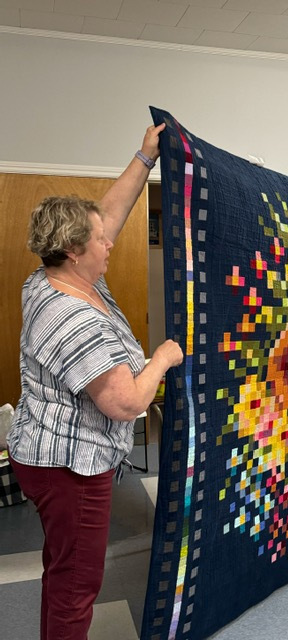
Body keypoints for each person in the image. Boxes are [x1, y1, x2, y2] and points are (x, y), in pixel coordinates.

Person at [7, 123, 183, 640]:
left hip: (45, 452)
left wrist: (144, 158)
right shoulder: (70, 314)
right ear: (73, 248)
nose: (110, 241)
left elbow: (109, 213)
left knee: (63, 567)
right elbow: (125, 404)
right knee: (77, 583)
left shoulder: (55, 275)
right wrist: (162, 358)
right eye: (99, 239)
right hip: (69, 467)